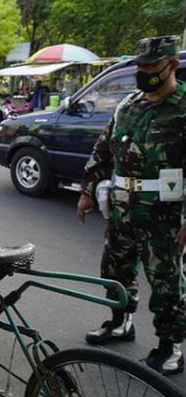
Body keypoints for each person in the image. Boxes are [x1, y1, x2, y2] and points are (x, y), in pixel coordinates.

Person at [78, 35, 186, 376]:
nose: (143, 71)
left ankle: (171, 347)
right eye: (140, 65)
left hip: (163, 214)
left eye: (151, 66)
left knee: (165, 283)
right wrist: (87, 189)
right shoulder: (129, 105)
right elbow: (103, 149)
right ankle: (120, 322)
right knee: (115, 271)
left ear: (172, 65)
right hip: (123, 209)